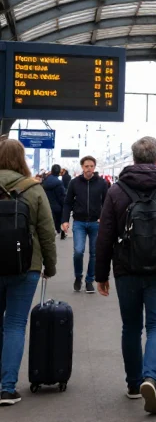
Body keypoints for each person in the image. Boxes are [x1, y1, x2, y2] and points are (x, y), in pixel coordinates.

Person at [96, 137, 156, 414]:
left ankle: (133, 384)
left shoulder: (116, 191)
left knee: (130, 327)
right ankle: (151, 378)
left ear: (133, 159)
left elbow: (105, 236)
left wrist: (100, 274)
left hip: (126, 269)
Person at [0, 139, 57, 406]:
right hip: (26, 265)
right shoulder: (33, 189)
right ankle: (7, 388)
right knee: (14, 324)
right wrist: (50, 265)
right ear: (22, 158)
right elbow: (47, 232)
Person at [61, 155, 109, 293]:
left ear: (94, 167)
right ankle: (78, 277)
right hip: (79, 222)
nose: (89, 169)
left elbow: (106, 203)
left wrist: (103, 217)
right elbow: (68, 203)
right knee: (78, 251)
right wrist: (65, 220)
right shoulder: (74, 183)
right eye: (86, 166)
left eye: (91, 166)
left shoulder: (101, 183)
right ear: (82, 167)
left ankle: (89, 281)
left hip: (96, 223)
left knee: (94, 253)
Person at [42, 164, 67, 241]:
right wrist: (64, 205)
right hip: (57, 207)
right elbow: (61, 196)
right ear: (59, 172)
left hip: (46, 205)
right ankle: (60, 232)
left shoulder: (44, 181)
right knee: (59, 220)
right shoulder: (58, 183)